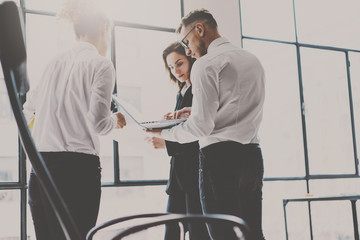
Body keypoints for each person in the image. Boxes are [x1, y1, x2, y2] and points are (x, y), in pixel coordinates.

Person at [147, 9, 266, 240]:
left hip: (219, 159)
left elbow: (201, 128)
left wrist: (163, 131)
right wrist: (194, 110)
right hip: (252, 157)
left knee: (222, 236)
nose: (189, 50)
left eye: (186, 41)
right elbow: (235, 107)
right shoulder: (252, 59)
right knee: (252, 233)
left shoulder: (206, 63)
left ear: (199, 29)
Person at [23, 1, 126, 239]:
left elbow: (28, 110)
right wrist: (116, 119)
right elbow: (98, 124)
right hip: (78, 171)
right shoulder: (101, 65)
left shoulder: (52, 63)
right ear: (103, 30)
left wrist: (47, 134)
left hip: (41, 168)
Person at [148, 42, 210, 239]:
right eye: (171, 67)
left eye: (179, 63)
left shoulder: (199, 90)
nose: (176, 70)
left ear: (191, 58)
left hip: (194, 174)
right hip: (178, 178)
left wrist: (167, 141)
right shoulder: (182, 91)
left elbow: (198, 133)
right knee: (172, 231)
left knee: (198, 232)